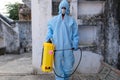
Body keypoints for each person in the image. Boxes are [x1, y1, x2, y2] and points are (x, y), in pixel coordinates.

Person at [46, 0, 79, 80]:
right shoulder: (53, 20)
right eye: (62, 7)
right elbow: (49, 32)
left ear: (67, 8)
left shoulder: (72, 21)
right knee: (58, 67)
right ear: (59, 8)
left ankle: (66, 78)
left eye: (65, 7)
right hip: (57, 48)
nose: (63, 9)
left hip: (68, 48)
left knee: (68, 66)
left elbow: (75, 34)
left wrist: (75, 45)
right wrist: (48, 41)